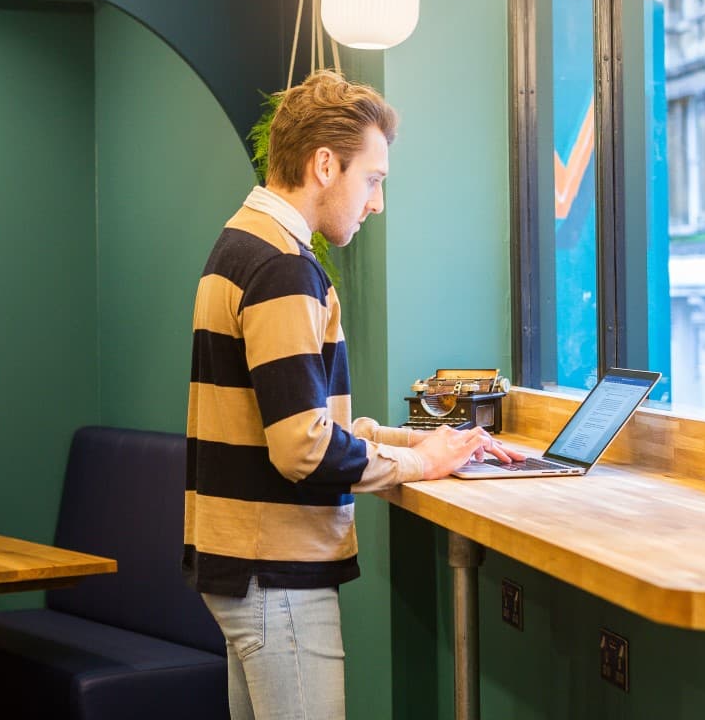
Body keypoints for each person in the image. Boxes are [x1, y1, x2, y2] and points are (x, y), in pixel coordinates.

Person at [183, 69, 522, 720]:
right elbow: (302, 451)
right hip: (275, 572)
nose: (376, 203)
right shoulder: (281, 267)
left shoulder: (242, 244)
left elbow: (295, 423)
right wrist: (420, 465)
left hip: (247, 568)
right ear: (323, 165)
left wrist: (418, 442)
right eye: (373, 180)